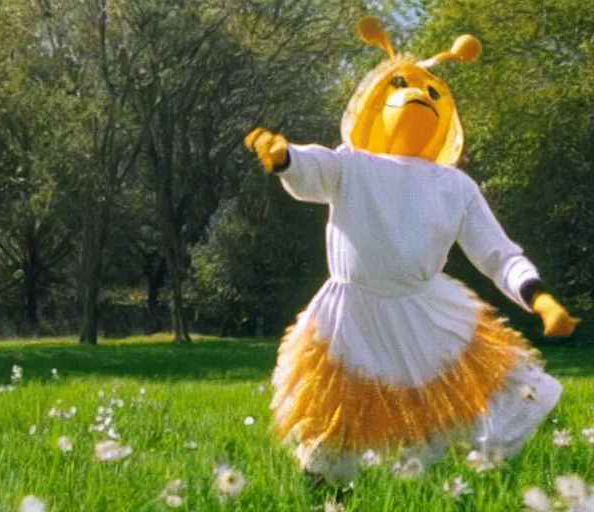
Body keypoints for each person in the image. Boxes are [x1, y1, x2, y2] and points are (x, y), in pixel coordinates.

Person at [244, 17, 579, 484]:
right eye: (401, 84)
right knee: (339, 408)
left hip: (427, 314)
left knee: (463, 396)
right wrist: (285, 158)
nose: (419, 95)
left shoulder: (453, 185)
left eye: (433, 91)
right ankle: (328, 489)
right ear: (375, 101)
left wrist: (540, 298)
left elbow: (497, 253)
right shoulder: (352, 165)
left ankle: (449, 482)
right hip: (351, 313)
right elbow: (314, 169)